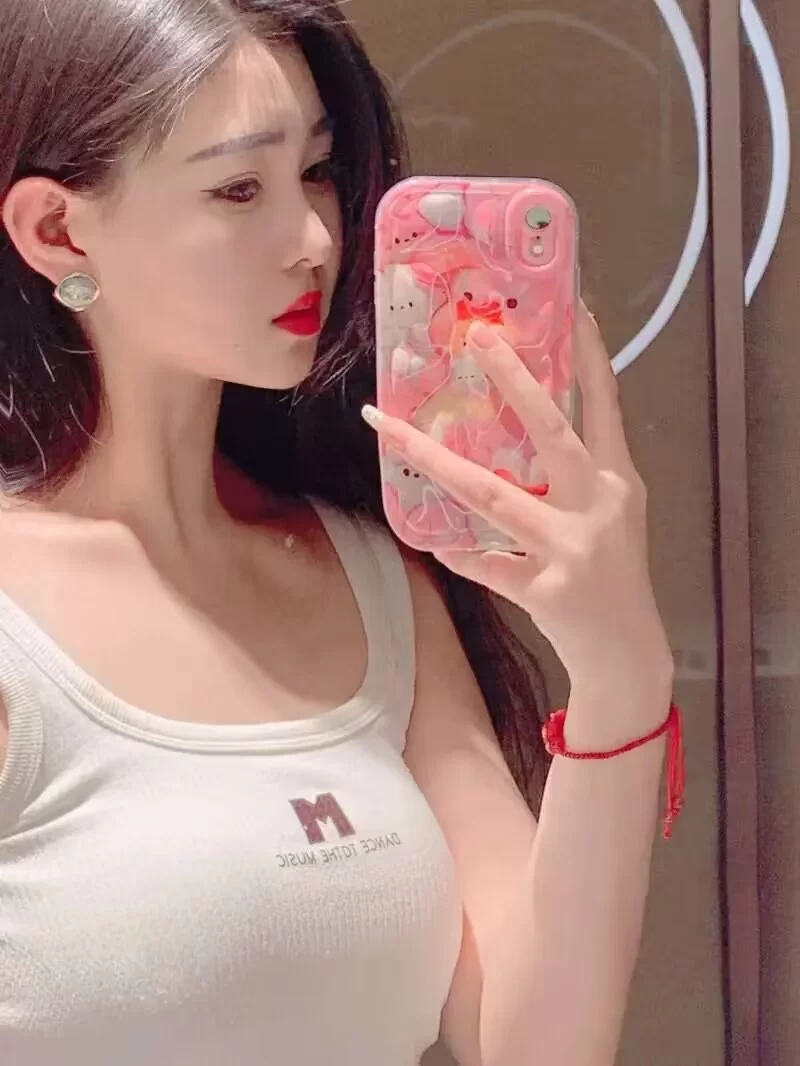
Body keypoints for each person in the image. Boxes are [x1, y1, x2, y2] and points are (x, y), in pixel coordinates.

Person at [0, 2, 678, 1064]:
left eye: (317, 172)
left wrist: (621, 671)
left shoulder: (372, 577)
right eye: (238, 189)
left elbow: (538, 1044)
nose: (315, 239)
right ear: (58, 231)